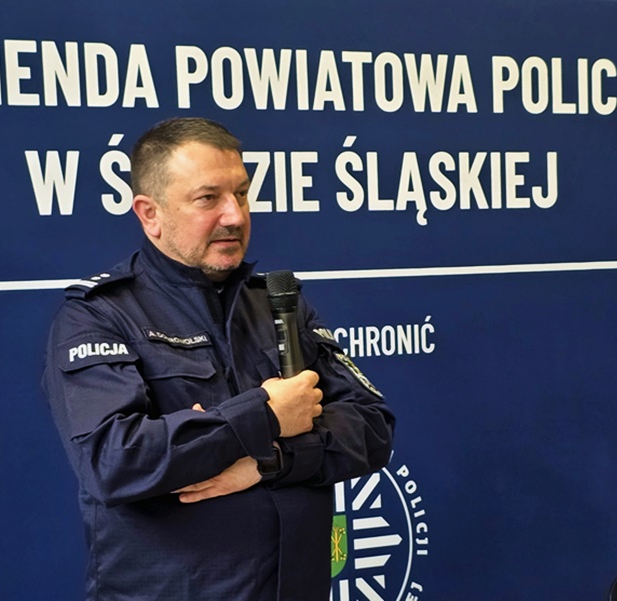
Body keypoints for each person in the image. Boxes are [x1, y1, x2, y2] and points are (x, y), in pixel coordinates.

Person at [42, 117, 395, 601]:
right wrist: (265, 415)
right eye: (208, 198)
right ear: (150, 214)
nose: (235, 215)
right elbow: (114, 460)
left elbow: (373, 427)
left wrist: (272, 461)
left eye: (242, 194)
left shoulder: (277, 302)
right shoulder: (99, 315)